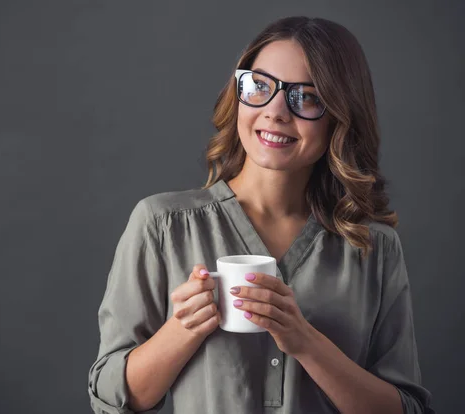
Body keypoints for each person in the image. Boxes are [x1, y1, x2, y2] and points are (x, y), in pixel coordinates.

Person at [88, 16, 435, 414]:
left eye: (306, 97)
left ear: (341, 116)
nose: (274, 112)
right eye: (259, 86)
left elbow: (408, 409)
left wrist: (306, 342)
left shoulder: (374, 247)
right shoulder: (162, 226)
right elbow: (111, 399)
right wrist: (182, 328)